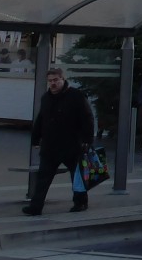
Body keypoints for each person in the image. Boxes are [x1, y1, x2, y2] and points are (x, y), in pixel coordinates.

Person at [23, 66, 95, 215]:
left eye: (56, 80)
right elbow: (41, 119)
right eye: (50, 81)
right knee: (43, 178)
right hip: (51, 146)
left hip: (72, 145)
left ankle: (80, 202)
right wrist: (35, 139)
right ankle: (36, 207)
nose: (53, 83)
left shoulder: (76, 96)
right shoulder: (46, 98)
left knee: (77, 177)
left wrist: (87, 140)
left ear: (63, 79)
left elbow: (88, 119)